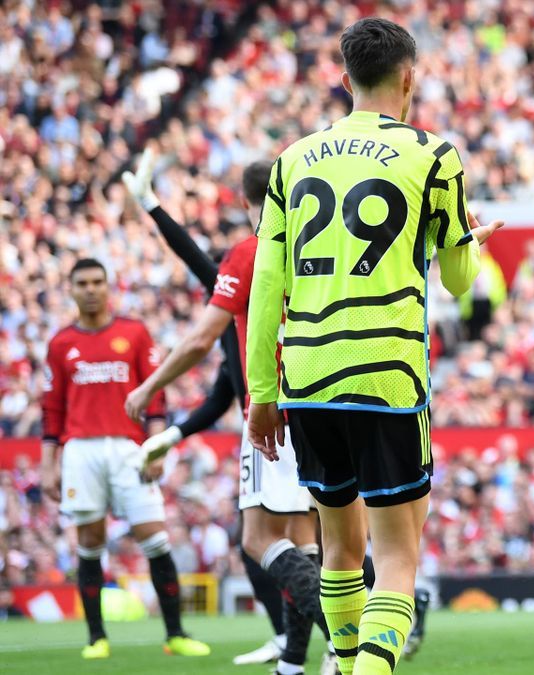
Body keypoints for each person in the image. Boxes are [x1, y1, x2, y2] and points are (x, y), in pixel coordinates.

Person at [245, 17, 503, 675]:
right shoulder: (433, 154)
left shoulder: (291, 159)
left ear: (344, 77)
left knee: (336, 548)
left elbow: (266, 285)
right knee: (395, 556)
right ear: (409, 75)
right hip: (385, 374)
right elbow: (456, 278)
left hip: (306, 376)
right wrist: (472, 239)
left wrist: (262, 393)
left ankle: (343, 659)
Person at [121, 153, 334, 673]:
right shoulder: (314, 247)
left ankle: (353, 641)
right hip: (322, 405)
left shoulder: (250, 252)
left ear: (244, 201)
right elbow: (202, 268)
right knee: (303, 544)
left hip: (272, 414)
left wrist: (148, 387)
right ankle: (295, 661)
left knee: (259, 540)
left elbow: (199, 336)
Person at [39, 258, 210, 659]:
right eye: (82, 282)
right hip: (81, 450)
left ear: (108, 285)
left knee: (155, 536)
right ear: (71, 289)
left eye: (98, 281)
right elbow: (52, 409)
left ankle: (175, 634)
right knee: (89, 543)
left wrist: (156, 448)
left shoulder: (134, 333)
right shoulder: (61, 343)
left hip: (129, 448)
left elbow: (155, 397)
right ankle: (96, 638)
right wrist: (49, 463)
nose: (91, 289)